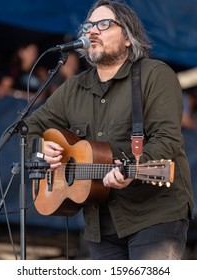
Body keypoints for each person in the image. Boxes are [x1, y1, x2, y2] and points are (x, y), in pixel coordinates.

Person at [25, 0, 194, 260]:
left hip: (154, 215)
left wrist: (132, 170)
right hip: (100, 223)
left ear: (128, 36)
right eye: (89, 25)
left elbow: (167, 140)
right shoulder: (74, 88)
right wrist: (40, 149)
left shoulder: (155, 75)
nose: (92, 31)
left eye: (104, 24)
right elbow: (29, 126)